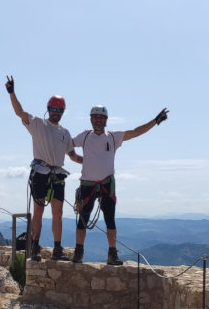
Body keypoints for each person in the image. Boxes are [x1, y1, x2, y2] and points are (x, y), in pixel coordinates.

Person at [71, 105, 168, 265]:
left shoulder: (113, 137)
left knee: (110, 220)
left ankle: (111, 253)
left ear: (106, 120)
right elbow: (67, 144)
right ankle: (79, 251)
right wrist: (75, 157)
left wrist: (155, 121)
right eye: (95, 117)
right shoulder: (85, 136)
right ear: (91, 119)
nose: (98, 120)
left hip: (106, 183)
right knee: (82, 219)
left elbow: (136, 132)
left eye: (101, 117)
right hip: (89, 183)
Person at [6, 75, 82, 261]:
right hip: (41, 172)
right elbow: (19, 112)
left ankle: (57, 248)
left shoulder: (65, 133)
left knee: (58, 212)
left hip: (56, 174)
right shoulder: (38, 124)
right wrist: (12, 93)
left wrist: (90, 162)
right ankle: (35, 246)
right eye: (54, 109)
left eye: (59, 109)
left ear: (63, 111)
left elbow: (72, 156)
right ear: (49, 109)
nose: (56, 112)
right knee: (38, 211)